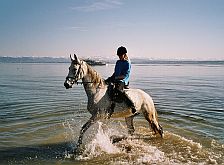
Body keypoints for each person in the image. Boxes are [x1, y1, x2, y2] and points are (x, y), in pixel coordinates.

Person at [105, 46, 137, 114]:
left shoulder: (127, 63)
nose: (119, 56)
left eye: (120, 55)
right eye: (118, 55)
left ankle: (131, 105)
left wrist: (116, 78)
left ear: (124, 54)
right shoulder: (118, 62)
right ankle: (111, 105)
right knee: (107, 87)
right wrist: (110, 78)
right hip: (116, 78)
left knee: (118, 90)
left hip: (123, 80)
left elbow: (125, 75)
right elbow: (115, 73)